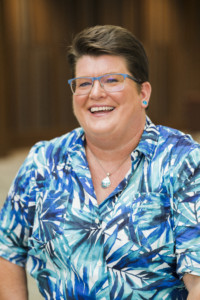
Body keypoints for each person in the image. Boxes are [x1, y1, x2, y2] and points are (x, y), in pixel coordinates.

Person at [0, 25, 200, 300]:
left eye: (112, 80)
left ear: (143, 93)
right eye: (83, 83)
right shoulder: (44, 161)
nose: (95, 93)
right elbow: (8, 248)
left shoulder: (184, 162)